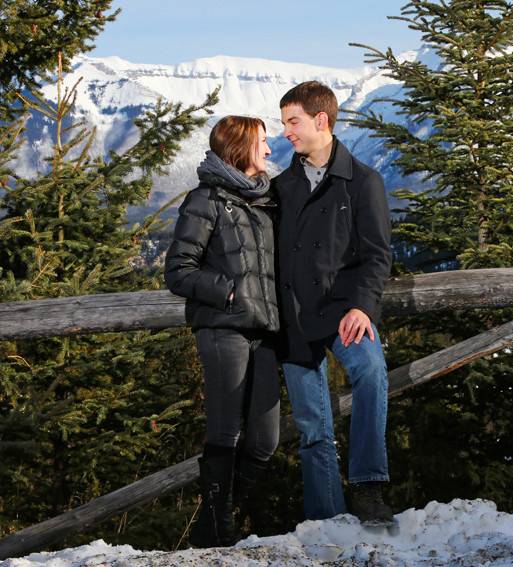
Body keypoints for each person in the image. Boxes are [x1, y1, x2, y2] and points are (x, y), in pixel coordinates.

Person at [273, 81, 393, 524]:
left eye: (293, 121)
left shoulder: (363, 181)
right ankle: (327, 521)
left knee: (371, 372)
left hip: (345, 312)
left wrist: (362, 307)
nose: (285, 131)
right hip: (294, 319)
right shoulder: (282, 187)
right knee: (312, 429)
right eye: (284, 122)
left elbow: (377, 254)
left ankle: (368, 486)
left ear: (320, 120)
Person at [164, 115, 280, 547]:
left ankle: (236, 510)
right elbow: (178, 271)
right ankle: (217, 527)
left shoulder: (266, 199)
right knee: (224, 431)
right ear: (240, 147)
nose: (269, 151)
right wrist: (229, 292)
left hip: (265, 332)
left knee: (265, 438)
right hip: (223, 329)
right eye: (262, 142)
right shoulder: (205, 199)